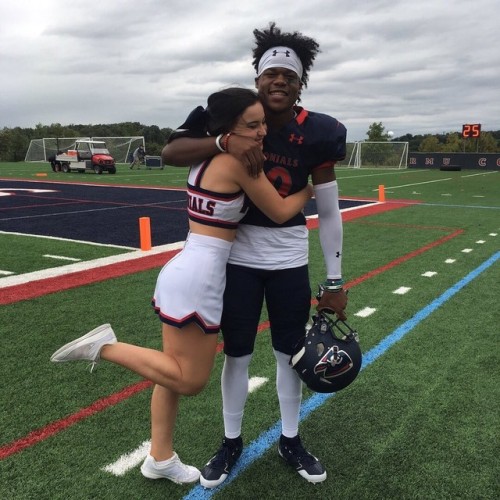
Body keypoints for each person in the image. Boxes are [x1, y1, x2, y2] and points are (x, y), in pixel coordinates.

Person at [50, 87, 313, 485]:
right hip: (201, 277)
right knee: (189, 380)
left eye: (263, 123)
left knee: (168, 374)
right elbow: (278, 211)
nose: (262, 132)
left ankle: (160, 457)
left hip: (185, 266)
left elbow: (179, 150)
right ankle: (105, 346)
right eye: (252, 125)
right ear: (227, 128)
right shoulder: (235, 162)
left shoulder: (205, 156)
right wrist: (310, 189)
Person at [162, 22, 348, 487]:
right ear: (257, 77)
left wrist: (335, 279)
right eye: (271, 72)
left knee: (290, 354)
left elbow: (327, 211)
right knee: (238, 354)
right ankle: (230, 441)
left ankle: (290, 437)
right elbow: (172, 150)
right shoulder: (230, 115)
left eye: (290, 73)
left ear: (301, 81)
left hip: (288, 259)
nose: (279, 80)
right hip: (237, 260)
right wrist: (226, 141)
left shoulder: (321, 132)